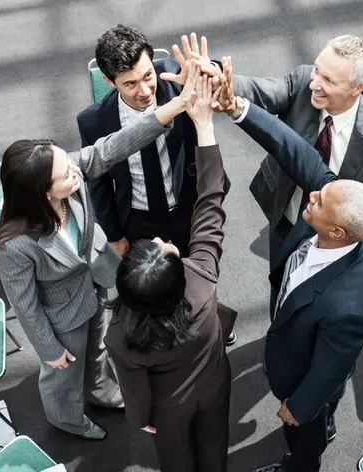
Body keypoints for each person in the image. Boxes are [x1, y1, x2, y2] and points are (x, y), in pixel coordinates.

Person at [0, 67, 198, 440]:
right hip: (61, 317)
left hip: (97, 283)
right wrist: (48, 348)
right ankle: (69, 420)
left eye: (69, 161)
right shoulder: (15, 243)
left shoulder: (68, 172)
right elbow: (24, 304)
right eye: (65, 174)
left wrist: (174, 108)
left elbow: (115, 145)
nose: (76, 170)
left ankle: (102, 392)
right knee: (64, 375)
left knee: (99, 349)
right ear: (42, 192)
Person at [217, 58, 363, 472]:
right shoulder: (335, 204)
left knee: (304, 432)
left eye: (316, 202)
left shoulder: (348, 309)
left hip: (301, 382)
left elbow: (332, 367)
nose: (310, 195)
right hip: (297, 335)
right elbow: (291, 147)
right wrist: (236, 107)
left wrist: (300, 405)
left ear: (338, 233)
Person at [104, 72, 232, 472]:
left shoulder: (121, 336)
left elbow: (136, 395)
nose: (164, 241)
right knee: (214, 448)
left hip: (169, 408)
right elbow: (210, 202)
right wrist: (206, 126)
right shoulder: (202, 278)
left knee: (176, 462)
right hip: (214, 389)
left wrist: (143, 420)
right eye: (164, 250)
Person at [78, 25, 237, 345]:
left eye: (147, 75)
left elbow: (212, 71)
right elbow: (97, 182)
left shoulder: (176, 77)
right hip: (139, 219)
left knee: (201, 273)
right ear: (109, 81)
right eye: (130, 83)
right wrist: (115, 235)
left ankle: (213, 320)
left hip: (190, 205)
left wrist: (213, 71)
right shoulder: (94, 121)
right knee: (152, 285)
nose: (144, 90)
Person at [227, 35, 363, 262]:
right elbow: (261, 90)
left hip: (331, 239)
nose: (314, 84)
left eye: (328, 80)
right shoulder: (302, 82)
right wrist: (218, 77)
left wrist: (361, 265)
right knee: (278, 276)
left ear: (359, 87)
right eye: (317, 70)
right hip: (284, 215)